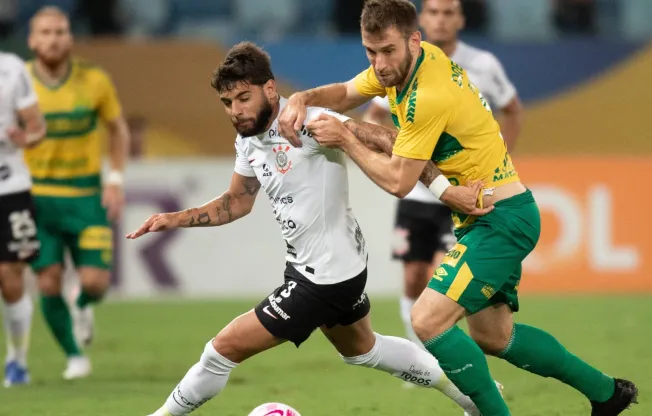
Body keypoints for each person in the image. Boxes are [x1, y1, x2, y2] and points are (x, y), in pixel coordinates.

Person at [278, 1, 638, 415]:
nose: (379, 64)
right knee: (494, 337)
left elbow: (399, 181)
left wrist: (346, 137)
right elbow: (346, 92)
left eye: (388, 51)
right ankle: (608, 393)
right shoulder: (419, 61)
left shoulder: (427, 95)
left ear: (414, 40)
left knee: (428, 319)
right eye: (370, 52)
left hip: (500, 220)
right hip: (488, 216)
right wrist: (302, 98)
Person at [127, 41, 490, 416]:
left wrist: (447, 191)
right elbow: (236, 202)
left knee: (220, 351)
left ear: (269, 88)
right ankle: (475, 396)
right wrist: (175, 218)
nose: (235, 111)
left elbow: (390, 139)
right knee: (363, 350)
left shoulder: (311, 121)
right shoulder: (248, 141)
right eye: (227, 103)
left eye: (243, 98)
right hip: (322, 265)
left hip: (324, 277)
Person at [363, 0, 523, 352]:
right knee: (412, 277)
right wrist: (399, 147)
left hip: (462, 193)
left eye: (449, 12)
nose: (441, 19)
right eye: (434, 12)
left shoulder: (482, 64)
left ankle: (443, 358)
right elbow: (373, 116)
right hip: (420, 193)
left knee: (443, 279)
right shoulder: (399, 64)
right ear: (421, 22)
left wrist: (497, 156)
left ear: (461, 19)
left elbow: (511, 109)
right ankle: (420, 356)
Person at [25, 6, 130, 380]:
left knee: (95, 284)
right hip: (37, 197)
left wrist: (115, 179)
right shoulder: (15, 83)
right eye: (46, 32)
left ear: (70, 37)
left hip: (86, 195)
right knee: (47, 280)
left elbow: (117, 130)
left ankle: (82, 303)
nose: (54, 38)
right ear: (32, 40)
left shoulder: (94, 80)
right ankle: (74, 356)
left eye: (61, 31)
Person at [0, 50, 46, 387]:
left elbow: (37, 127)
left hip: (9, 185)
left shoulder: (11, 69)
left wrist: (25, 138)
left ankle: (17, 359)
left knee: (9, 273)